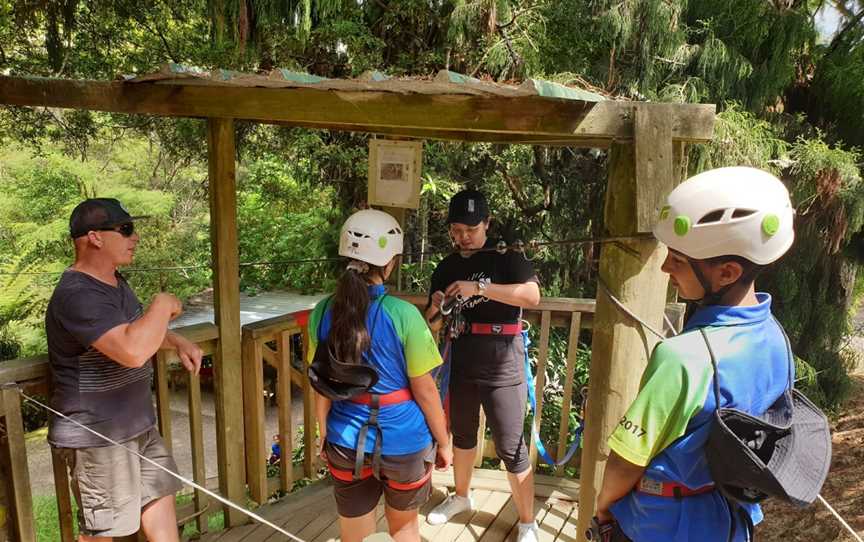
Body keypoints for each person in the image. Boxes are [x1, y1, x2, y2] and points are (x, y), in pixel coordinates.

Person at [594, 167, 797, 541]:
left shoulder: (682, 358)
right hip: (730, 517)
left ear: (727, 272)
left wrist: (604, 510)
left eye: (679, 259)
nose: (665, 266)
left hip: (662, 525)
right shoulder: (776, 339)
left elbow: (626, 461)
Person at [45, 198, 203, 541]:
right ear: (95, 237)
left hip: (138, 425)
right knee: (105, 531)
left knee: (162, 503)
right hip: (98, 435)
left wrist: (175, 340)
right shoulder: (77, 293)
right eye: (126, 229)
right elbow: (131, 351)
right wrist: (162, 304)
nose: (136, 237)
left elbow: (133, 331)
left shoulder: (116, 282)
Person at [308, 209, 452, 542]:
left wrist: (323, 433)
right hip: (403, 440)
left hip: (345, 437)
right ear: (389, 263)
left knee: (354, 534)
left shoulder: (322, 311)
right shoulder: (403, 315)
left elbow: (323, 386)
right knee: (404, 529)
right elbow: (426, 391)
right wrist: (444, 443)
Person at [424, 189, 542, 542]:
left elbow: (532, 297)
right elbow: (431, 324)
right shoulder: (446, 266)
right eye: (456, 230)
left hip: (504, 360)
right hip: (461, 356)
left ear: (487, 224)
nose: (463, 237)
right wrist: (435, 306)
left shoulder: (507, 257)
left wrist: (480, 287)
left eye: (471, 230)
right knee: (461, 434)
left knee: (510, 445)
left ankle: (527, 522)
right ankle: (461, 497)